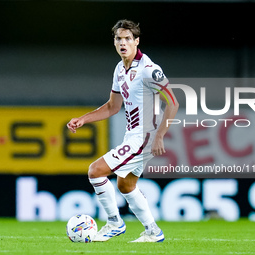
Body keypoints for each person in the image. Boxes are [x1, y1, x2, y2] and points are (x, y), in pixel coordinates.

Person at [67, 19, 179, 243]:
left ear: (137, 41)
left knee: (95, 171)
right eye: (119, 38)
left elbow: (173, 102)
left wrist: (159, 136)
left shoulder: (149, 69)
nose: (123, 42)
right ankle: (153, 231)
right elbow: (112, 107)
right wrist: (83, 119)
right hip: (133, 134)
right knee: (125, 185)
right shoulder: (120, 68)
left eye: (128, 38)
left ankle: (114, 222)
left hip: (144, 137)